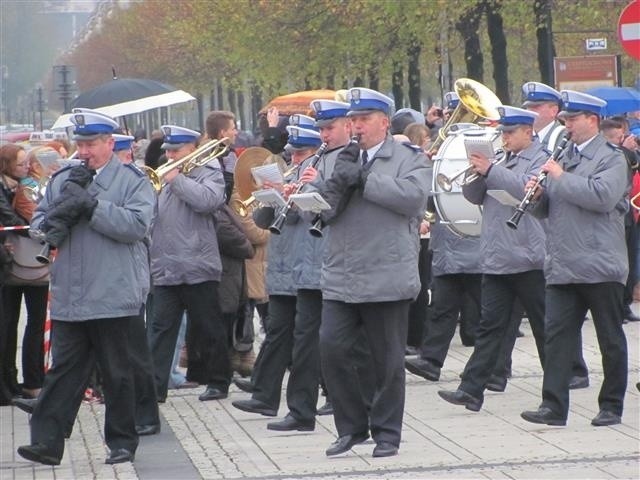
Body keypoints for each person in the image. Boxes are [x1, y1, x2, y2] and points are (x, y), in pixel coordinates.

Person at [17, 109, 155, 465]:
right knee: (63, 372)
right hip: (71, 293)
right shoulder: (65, 178)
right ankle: (46, 442)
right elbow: (39, 221)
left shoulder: (132, 181)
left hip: (114, 293)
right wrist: (51, 221)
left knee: (118, 373)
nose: (84, 150)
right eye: (80, 143)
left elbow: (136, 226)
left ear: (110, 143)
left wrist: (93, 207)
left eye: (91, 143)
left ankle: (123, 442)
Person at [316, 87, 431, 458]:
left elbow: (413, 199)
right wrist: (294, 200)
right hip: (341, 275)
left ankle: (386, 433)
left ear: (384, 122)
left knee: (387, 363)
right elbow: (324, 205)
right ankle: (351, 427)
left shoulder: (407, 157)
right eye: (352, 120)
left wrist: (365, 180)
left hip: (386, 275)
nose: (356, 126)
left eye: (363, 120)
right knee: (331, 351)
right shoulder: (339, 159)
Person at [521, 91, 628, 427]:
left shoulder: (612, 158)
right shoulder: (562, 155)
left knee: (609, 337)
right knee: (556, 339)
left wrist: (558, 177)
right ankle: (553, 406)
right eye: (564, 119)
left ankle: (611, 405)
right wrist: (535, 196)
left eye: (572, 119)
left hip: (600, 264)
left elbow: (601, 196)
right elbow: (550, 209)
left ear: (592, 121)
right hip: (563, 263)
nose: (566, 125)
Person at [437, 106, 548, 411]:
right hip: (498, 256)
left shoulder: (541, 158)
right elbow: (474, 197)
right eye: (503, 132)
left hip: (528, 256)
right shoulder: (501, 159)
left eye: (510, 133)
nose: (505, 138)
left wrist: (491, 170)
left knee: (544, 327)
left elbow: (528, 188)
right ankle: (471, 389)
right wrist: (475, 174)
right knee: (490, 327)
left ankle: (560, 383)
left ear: (528, 132)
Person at [231, 125, 323, 423]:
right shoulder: (290, 174)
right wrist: (268, 196)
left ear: (313, 152)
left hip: (306, 265)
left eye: (300, 153)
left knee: (310, 339)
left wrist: (298, 195)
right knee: (277, 332)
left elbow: (315, 215)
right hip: (282, 266)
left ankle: (320, 399)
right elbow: (261, 220)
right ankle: (264, 395)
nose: (294, 159)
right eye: (292, 153)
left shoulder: (317, 176)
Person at [146, 125, 229, 404]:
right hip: (166, 266)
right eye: (167, 150)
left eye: (175, 150)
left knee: (208, 327)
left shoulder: (209, 170)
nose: (169, 155)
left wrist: (177, 179)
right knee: (160, 330)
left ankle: (219, 381)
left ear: (192, 149)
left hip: (197, 263)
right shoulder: (164, 177)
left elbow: (209, 201)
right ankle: (154, 388)